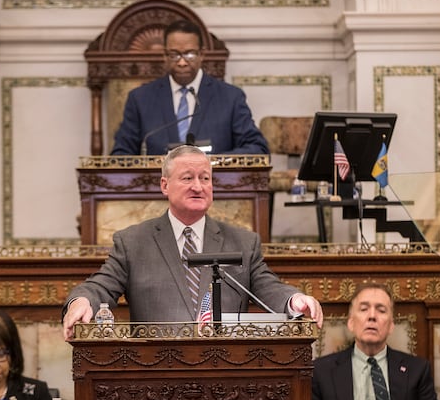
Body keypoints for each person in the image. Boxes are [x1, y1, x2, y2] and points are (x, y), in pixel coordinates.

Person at [62, 145, 322, 340]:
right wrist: (82, 302)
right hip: (153, 377)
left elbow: (269, 288)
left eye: (205, 178)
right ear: (165, 185)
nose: (198, 186)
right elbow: (100, 286)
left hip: (227, 376)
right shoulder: (133, 242)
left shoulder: (243, 242)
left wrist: (294, 300)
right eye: (187, 178)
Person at [310, 283, 440, 400]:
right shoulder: (321, 371)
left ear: (391, 326)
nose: (372, 316)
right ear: (351, 322)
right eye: (363, 309)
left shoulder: (417, 370)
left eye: (381, 310)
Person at [110, 19, 269, 156]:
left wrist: (212, 162)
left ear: (202, 54)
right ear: (164, 56)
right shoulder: (140, 99)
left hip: (217, 187)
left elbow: (257, 148)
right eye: (174, 54)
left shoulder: (230, 97)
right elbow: (121, 154)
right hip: (158, 188)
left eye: (190, 54)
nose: (182, 62)